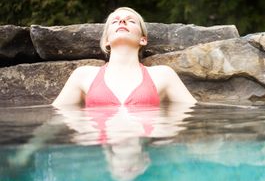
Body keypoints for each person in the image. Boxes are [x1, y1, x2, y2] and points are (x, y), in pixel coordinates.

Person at [52, 7, 197, 107]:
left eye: (131, 21)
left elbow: (194, 116)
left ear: (143, 39)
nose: (122, 22)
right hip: (97, 148)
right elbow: (54, 120)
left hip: (145, 145)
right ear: (106, 40)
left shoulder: (163, 75)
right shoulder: (83, 75)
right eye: (115, 21)